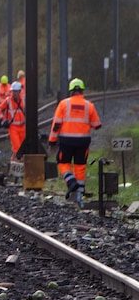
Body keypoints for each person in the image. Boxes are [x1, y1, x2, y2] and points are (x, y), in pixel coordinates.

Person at [48, 78, 102, 206]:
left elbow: (56, 125)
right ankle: (79, 193)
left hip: (66, 140)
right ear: (82, 90)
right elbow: (97, 125)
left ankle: (71, 181)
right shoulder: (89, 105)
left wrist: (52, 141)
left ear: (71, 91)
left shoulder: (63, 104)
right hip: (83, 141)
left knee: (63, 162)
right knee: (80, 165)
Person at [0, 81, 26, 161]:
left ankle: (15, 160)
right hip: (13, 126)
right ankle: (18, 161)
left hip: (22, 126)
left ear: (19, 91)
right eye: (13, 91)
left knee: (23, 146)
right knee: (16, 146)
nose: (14, 93)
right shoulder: (8, 100)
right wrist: (3, 119)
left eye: (16, 91)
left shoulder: (23, 100)